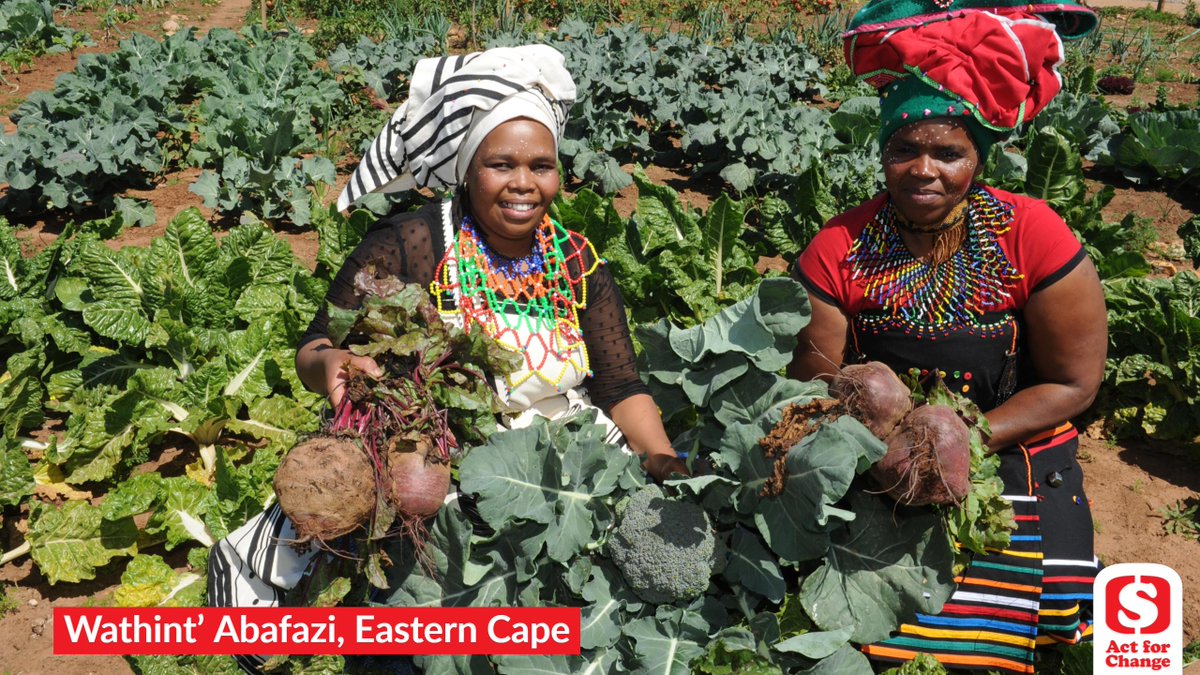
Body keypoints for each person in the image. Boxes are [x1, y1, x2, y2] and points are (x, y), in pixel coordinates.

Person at [207, 44, 685, 673]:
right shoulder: (412, 242)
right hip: (443, 457)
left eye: (541, 165)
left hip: (568, 459)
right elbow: (318, 345)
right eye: (501, 164)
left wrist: (661, 458)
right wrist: (335, 370)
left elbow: (620, 384)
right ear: (466, 169)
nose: (524, 183)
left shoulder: (577, 262)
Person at [789, 5, 1106, 674]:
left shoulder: (1031, 233)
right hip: (877, 458)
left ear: (977, 158)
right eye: (904, 149)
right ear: (882, 153)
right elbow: (815, 376)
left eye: (948, 152)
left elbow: (1075, 381)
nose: (923, 169)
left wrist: (968, 436)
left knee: (1031, 609)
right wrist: (879, 432)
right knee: (859, 611)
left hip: (1009, 444)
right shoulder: (840, 245)